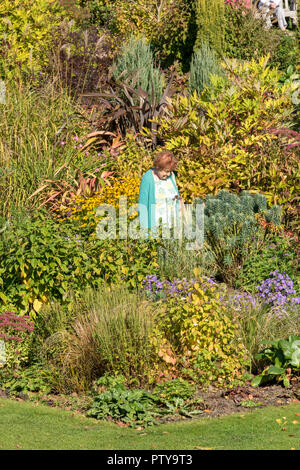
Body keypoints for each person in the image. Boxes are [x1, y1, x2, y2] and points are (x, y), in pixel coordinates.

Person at [138, 150, 182, 237]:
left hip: (172, 225)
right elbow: (142, 205)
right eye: (166, 171)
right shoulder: (148, 178)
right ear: (158, 167)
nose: (168, 174)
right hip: (157, 227)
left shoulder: (171, 176)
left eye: (170, 171)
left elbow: (175, 194)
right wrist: (145, 232)